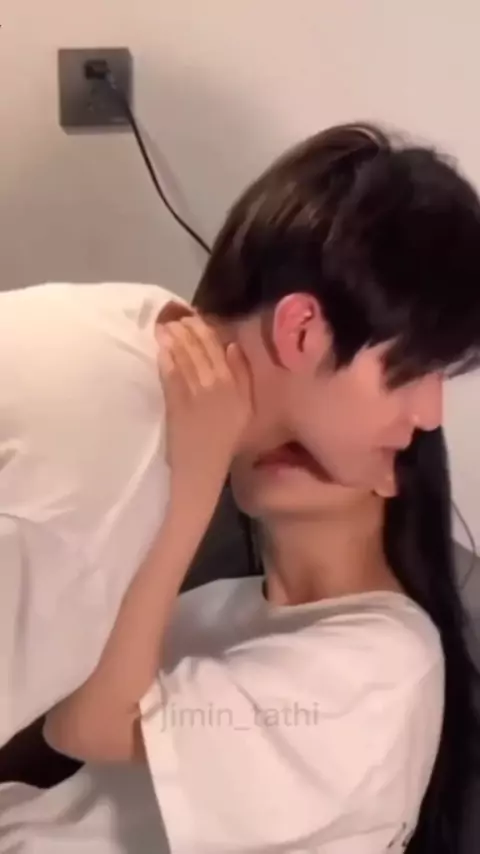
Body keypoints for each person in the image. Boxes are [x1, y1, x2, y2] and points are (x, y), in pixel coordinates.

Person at [3, 120, 480, 754]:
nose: (430, 414)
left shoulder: (129, 324)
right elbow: (86, 728)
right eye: (412, 370)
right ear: (302, 330)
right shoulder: (111, 475)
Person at [0, 335, 476, 853]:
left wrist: (193, 478)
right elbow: (60, 709)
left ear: (394, 466)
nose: (288, 431)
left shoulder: (391, 661)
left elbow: (89, 727)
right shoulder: (212, 603)